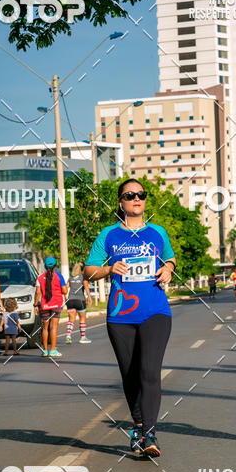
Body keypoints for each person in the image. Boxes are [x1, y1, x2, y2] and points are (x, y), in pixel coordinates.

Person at [84, 177, 176, 457]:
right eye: (129, 195)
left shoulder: (158, 232)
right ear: (120, 202)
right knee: (129, 374)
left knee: (149, 371)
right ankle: (138, 423)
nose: (136, 198)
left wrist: (168, 269)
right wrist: (109, 269)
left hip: (155, 311)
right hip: (120, 314)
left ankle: (149, 434)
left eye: (141, 194)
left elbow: (170, 259)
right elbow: (88, 270)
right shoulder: (108, 235)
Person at [35, 256, 67, 357]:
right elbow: (65, 291)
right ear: (55, 266)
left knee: (45, 328)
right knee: (54, 328)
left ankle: (45, 350)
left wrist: (35, 305)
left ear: (44, 266)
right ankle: (53, 350)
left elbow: (38, 293)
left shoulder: (39, 278)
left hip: (44, 305)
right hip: (56, 305)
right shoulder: (59, 277)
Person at [65, 262, 92, 345]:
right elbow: (86, 287)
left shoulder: (70, 278)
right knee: (82, 319)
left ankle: (68, 335)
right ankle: (83, 337)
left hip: (70, 300)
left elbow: (66, 288)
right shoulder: (83, 277)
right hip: (80, 300)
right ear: (81, 270)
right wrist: (89, 298)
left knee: (71, 319)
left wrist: (65, 298)